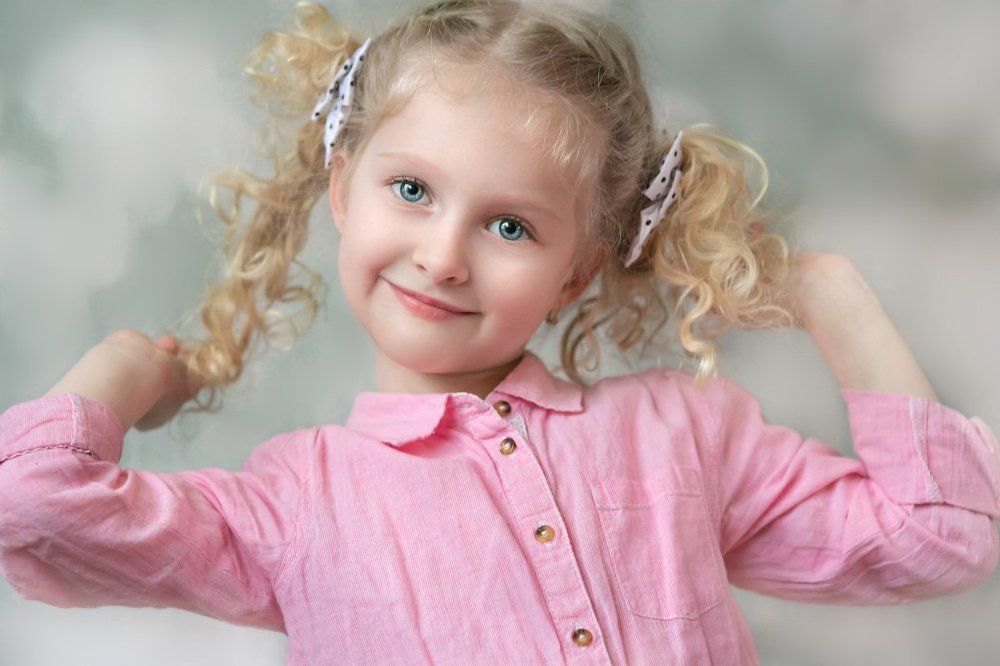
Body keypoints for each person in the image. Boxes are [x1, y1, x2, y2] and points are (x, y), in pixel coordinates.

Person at [1, 1, 998, 663]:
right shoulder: (298, 503)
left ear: (577, 270)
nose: (444, 256)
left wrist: (830, 295)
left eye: (510, 226)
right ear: (344, 190)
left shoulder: (682, 435)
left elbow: (940, 537)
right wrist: (126, 368)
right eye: (411, 190)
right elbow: (30, 503)